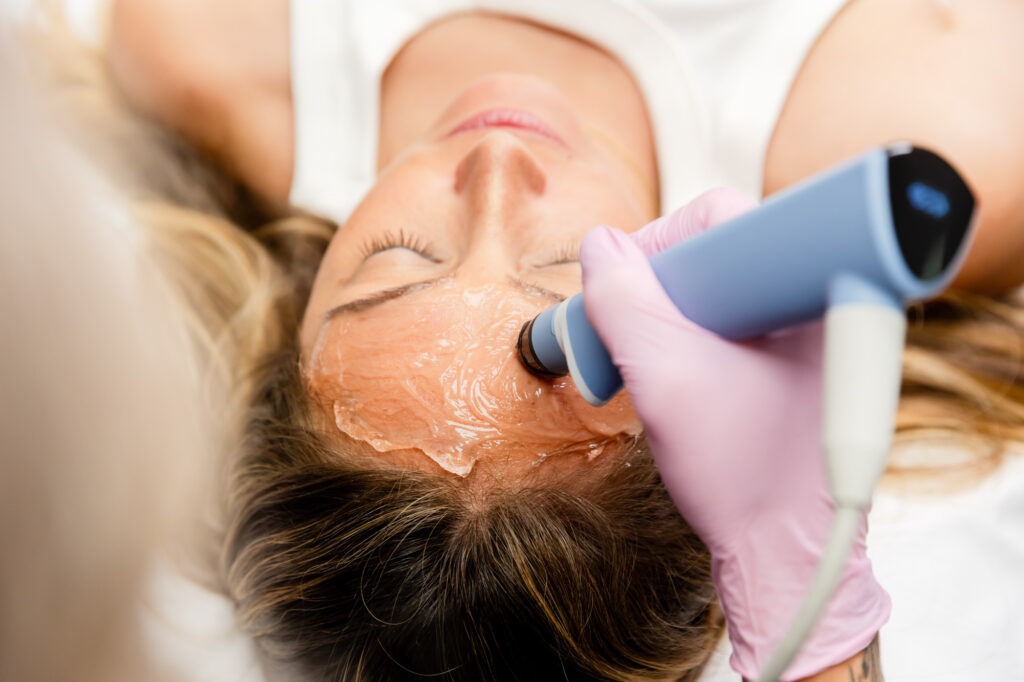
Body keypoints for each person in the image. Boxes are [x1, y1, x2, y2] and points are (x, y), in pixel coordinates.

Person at [31, 0, 1024, 679]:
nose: (496, 171)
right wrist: (816, 616)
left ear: (300, 301)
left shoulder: (217, 47)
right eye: (559, 275)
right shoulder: (940, 131)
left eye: (401, 257)